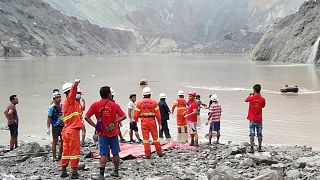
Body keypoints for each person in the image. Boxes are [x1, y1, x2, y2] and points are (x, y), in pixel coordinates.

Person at [85, 86, 126, 178]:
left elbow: (86, 117)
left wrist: (95, 126)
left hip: (102, 133)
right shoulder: (114, 105)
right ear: (108, 94)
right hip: (113, 133)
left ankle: (101, 174)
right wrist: (114, 122)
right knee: (115, 153)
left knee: (103, 154)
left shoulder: (95, 105)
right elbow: (124, 116)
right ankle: (116, 171)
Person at [60, 78, 83, 179]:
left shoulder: (73, 104)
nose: (79, 95)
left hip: (66, 131)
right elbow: (72, 93)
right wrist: (75, 84)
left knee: (66, 151)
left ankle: (64, 170)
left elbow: (79, 112)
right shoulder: (70, 101)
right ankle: (74, 172)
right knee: (74, 151)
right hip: (72, 131)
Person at [134, 87, 163, 159]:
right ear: (150, 94)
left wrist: (135, 120)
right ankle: (159, 152)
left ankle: (148, 154)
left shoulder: (139, 103)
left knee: (146, 139)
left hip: (144, 121)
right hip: (152, 121)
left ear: (143, 95)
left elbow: (136, 114)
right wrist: (160, 123)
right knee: (155, 138)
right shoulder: (154, 102)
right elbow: (158, 114)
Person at [245, 84, 266, 153]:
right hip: (259, 119)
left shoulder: (251, 98)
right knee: (259, 133)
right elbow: (263, 106)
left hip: (252, 119)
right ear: (260, 90)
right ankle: (259, 148)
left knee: (252, 133)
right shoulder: (262, 99)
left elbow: (245, 100)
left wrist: (250, 95)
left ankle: (252, 148)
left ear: (254, 90)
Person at [47, 92, 64, 161]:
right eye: (57, 97)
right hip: (55, 126)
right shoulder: (51, 108)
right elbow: (49, 118)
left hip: (62, 125)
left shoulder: (63, 106)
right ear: (54, 99)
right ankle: (54, 156)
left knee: (63, 141)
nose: (59, 99)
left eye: (59, 97)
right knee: (55, 141)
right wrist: (48, 128)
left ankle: (60, 155)